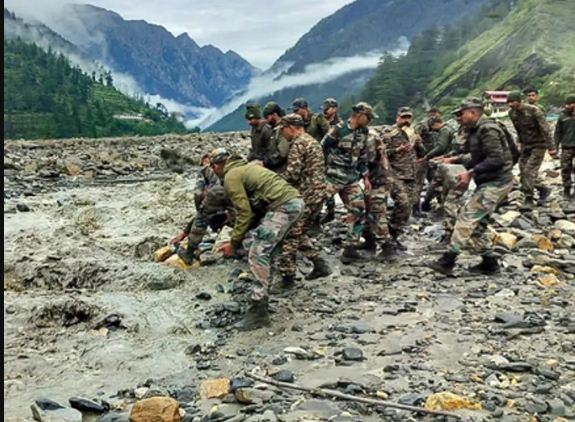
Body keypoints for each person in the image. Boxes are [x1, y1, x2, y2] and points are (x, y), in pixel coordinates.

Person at [212, 149, 304, 330]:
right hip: (295, 202)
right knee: (269, 251)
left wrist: (233, 243)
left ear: (217, 166)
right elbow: (254, 211)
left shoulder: (231, 176)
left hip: (283, 206)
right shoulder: (246, 168)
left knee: (257, 254)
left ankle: (258, 310)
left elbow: (244, 213)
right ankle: (264, 298)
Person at [428, 97, 514, 275]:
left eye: (462, 113)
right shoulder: (476, 130)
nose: (460, 117)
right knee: (478, 226)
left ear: (473, 112)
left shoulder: (488, 129)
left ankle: (448, 261)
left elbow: (496, 158)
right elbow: (476, 156)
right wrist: (454, 159)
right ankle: (490, 263)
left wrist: (471, 173)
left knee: (466, 219)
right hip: (490, 180)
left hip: (496, 182)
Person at [277, 114, 332, 284]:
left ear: (290, 128)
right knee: (300, 233)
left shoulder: (298, 144)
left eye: (283, 130)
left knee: (290, 234)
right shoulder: (312, 141)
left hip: (306, 195)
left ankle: (287, 277)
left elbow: (293, 174)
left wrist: (273, 180)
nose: (282, 134)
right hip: (319, 193)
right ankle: (319, 264)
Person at [322, 102, 374, 263]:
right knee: (312, 207)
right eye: (369, 117)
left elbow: (362, 155)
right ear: (359, 115)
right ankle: (298, 243)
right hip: (332, 177)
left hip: (351, 178)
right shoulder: (338, 130)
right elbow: (321, 148)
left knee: (358, 209)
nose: (370, 120)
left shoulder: (364, 132)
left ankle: (350, 248)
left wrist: (365, 177)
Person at [380, 107, 424, 247]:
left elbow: (422, 154)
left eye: (408, 118)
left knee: (408, 207)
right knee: (402, 202)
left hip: (411, 175)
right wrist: (397, 150)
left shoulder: (413, 133)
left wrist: (418, 142)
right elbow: (380, 153)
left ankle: (394, 234)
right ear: (397, 118)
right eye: (403, 117)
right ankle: (387, 234)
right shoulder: (389, 133)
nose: (406, 120)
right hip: (395, 174)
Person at [507, 91, 556, 209]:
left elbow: (545, 129)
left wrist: (551, 148)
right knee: (522, 170)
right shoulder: (512, 113)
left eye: (512, 102)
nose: (510, 104)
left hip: (539, 144)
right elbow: (518, 130)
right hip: (526, 145)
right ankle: (543, 189)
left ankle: (528, 199)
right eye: (508, 102)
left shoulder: (534, 110)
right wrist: (520, 143)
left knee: (529, 171)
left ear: (519, 101)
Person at [554, 94, 575, 199]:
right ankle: (566, 189)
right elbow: (557, 133)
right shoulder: (562, 116)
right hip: (567, 147)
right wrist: (555, 147)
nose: (567, 106)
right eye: (566, 104)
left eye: (570, 104)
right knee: (565, 169)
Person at [262, 101, 290, 173]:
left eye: (267, 117)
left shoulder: (283, 129)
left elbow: (282, 153)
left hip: (283, 171)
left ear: (274, 115)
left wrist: (266, 162)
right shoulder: (273, 129)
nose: (266, 120)